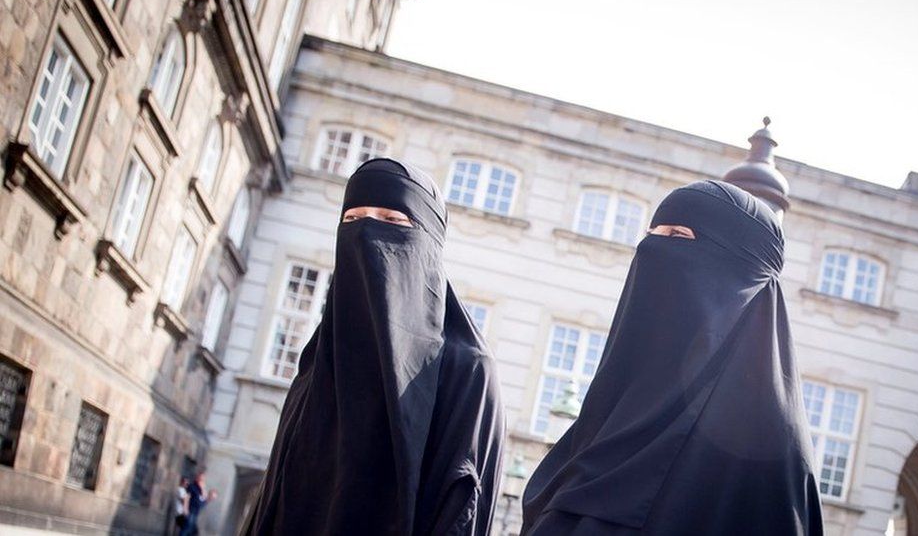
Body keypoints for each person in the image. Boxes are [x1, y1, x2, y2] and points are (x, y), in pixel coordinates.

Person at [521, 180, 823, 535]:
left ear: (739, 269)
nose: (652, 250)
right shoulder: (613, 415)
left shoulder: (769, 455)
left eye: (678, 235)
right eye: (652, 234)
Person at [242, 158, 505, 535]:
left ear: (428, 242)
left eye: (392, 221)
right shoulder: (320, 358)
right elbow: (274, 494)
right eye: (351, 220)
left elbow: (463, 514)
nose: (366, 234)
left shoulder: (467, 370)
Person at [180, 471, 217, 536]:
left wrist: (204, 490)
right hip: (190, 511)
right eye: (200, 479)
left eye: (203, 479)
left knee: (192, 531)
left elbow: (203, 499)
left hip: (195, 513)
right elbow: (186, 498)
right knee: (186, 529)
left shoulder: (201, 490)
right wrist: (185, 509)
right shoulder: (192, 487)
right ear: (197, 478)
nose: (202, 481)